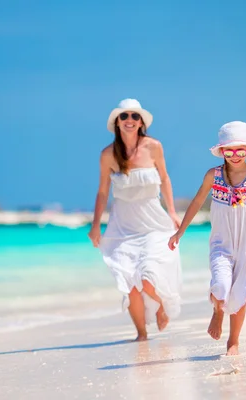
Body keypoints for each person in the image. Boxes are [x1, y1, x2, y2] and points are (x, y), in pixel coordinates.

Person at [168, 121, 246, 355]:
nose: (235, 155)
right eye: (228, 150)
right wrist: (180, 231)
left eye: (240, 150)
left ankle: (234, 341)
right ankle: (218, 311)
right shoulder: (214, 175)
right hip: (222, 244)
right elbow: (198, 201)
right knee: (221, 285)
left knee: (241, 293)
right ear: (221, 152)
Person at [88, 98, 182, 341]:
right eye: (124, 116)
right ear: (117, 123)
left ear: (141, 123)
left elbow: (165, 179)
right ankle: (141, 335)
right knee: (129, 285)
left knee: (147, 278)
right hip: (123, 226)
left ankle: (161, 304)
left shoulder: (153, 147)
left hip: (153, 223)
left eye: (134, 116)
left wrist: (172, 211)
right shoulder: (108, 155)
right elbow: (102, 192)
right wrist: (96, 224)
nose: (130, 120)